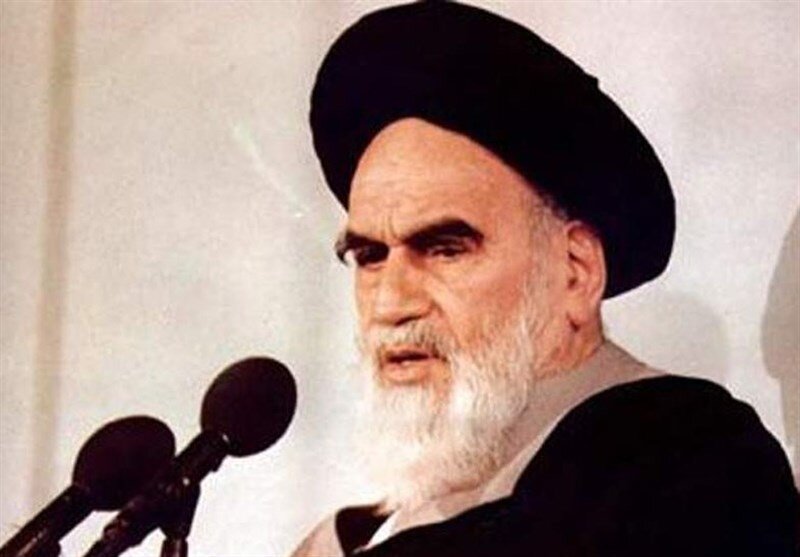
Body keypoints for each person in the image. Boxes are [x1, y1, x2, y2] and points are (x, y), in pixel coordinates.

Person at [292, 2, 798, 556]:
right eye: (370, 257)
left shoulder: (691, 469)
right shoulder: (349, 537)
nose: (391, 303)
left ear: (575, 272)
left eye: (444, 249)